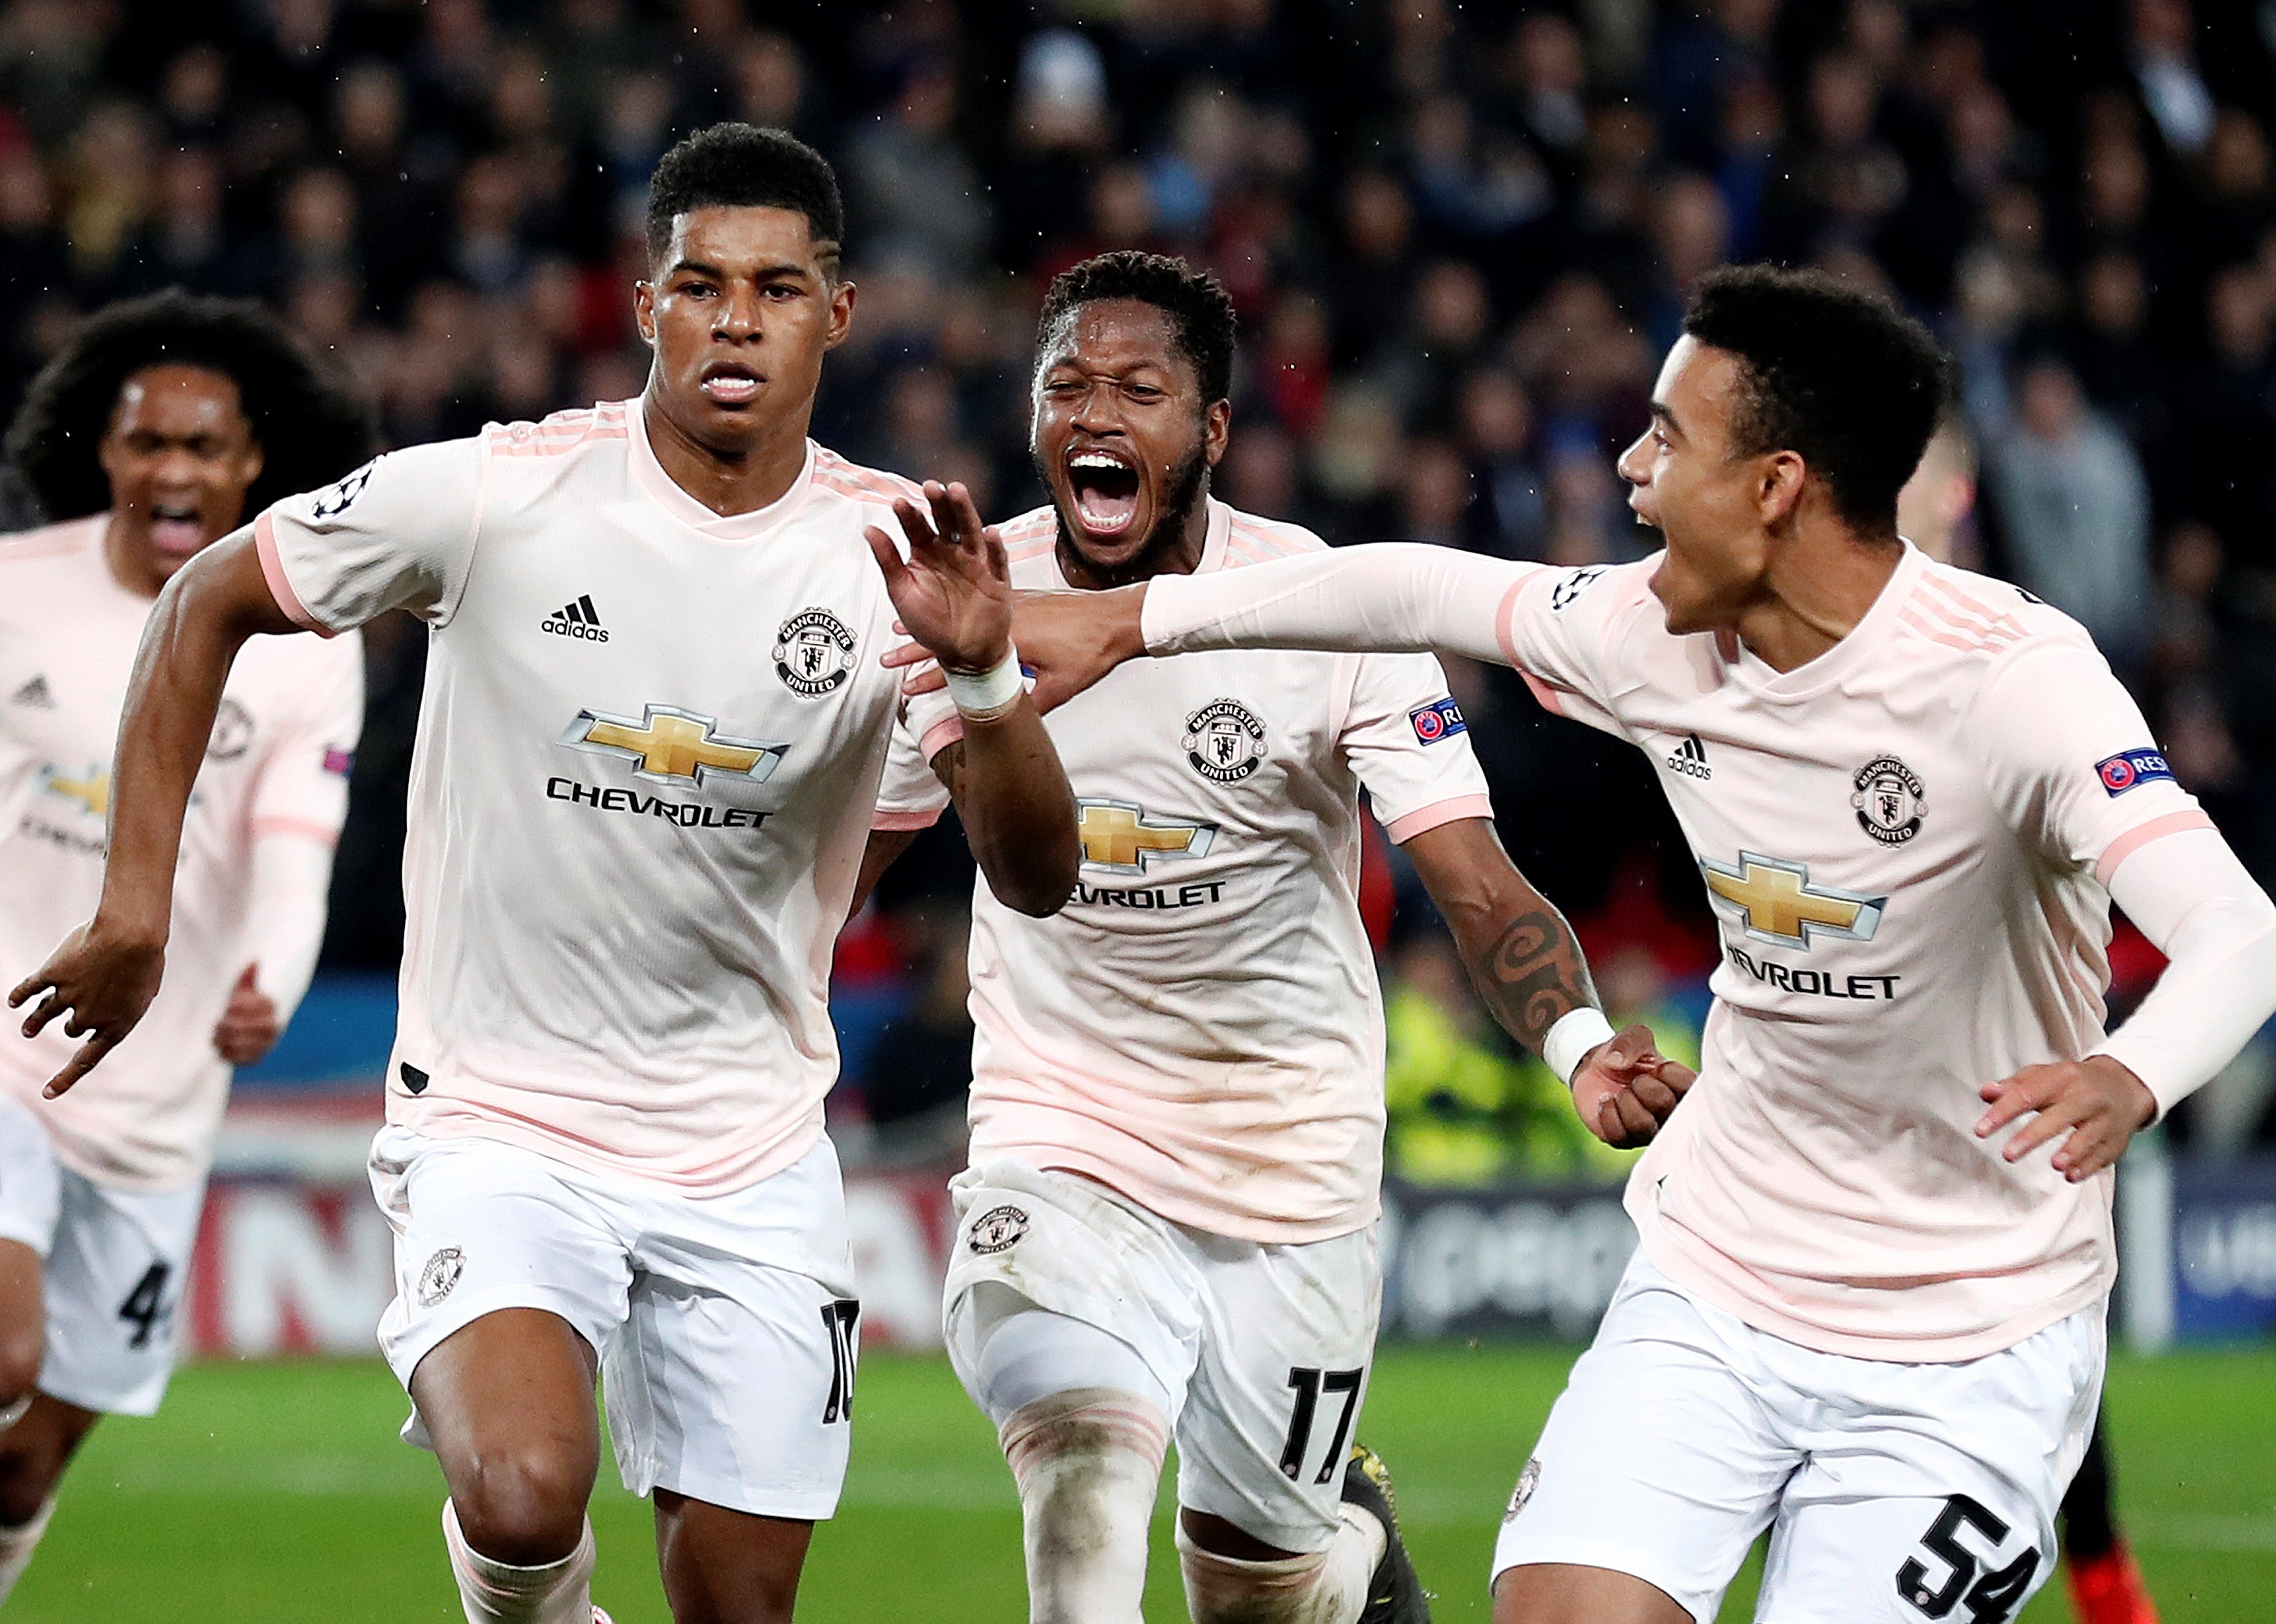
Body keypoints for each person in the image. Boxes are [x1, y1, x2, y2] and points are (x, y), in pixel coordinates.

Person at [919, 265, 2276, 1624]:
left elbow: (2235, 926)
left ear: (1775, 485)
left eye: (1667, 437)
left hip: (1971, 1332)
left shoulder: (2012, 681)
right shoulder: (1649, 632)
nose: (1628, 468)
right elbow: (1412, 593)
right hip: (1718, 1280)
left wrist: (2131, 1068)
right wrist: (1133, 620)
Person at [12, 125, 1078, 1624]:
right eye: (701, 285)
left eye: (777, 288)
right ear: (646, 305)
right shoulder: (497, 495)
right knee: (519, 1498)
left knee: (740, 1606)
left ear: (836, 316)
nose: (736, 319)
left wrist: (981, 679)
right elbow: (201, 601)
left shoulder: (896, 556)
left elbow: (1033, 876)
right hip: (500, 1116)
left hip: (750, 1147)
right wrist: (133, 908)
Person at [862, 250, 1680, 1624]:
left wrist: (1579, 1042)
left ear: (1213, 432)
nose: (1097, 415)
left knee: (1261, 1592)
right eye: (1066, 386)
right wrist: (983, 674)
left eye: (1139, 388)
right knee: (1080, 1485)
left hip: (1288, 1160)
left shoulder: (1324, 603)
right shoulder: (960, 593)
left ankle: (1342, 1552)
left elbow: (1474, 881)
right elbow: (1009, 871)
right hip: (1062, 1133)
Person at [0, 289, 372, 1602]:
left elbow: (295, 830)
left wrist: (274, 963)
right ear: (102, 450)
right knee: (0, 1350)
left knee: (26, 1466)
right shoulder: (13, 593)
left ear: (250, 465)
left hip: (158, 1107)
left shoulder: (300, 641)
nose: (172, 468)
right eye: (146, 441)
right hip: (3, 1056)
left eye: (202, 448)